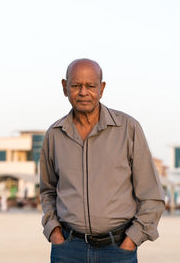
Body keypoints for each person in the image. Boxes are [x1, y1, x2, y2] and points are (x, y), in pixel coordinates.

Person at [40, 58, 165, 263]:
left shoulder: (128, 128)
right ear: (64, 87)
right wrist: (54, 230)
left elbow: (152, 195)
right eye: (76, 85)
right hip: (68, 250)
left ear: (102, 88)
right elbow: (47, 191)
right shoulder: (54, 135)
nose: (83, 92)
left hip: (118, 250)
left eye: (90, 86)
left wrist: (132, 239)